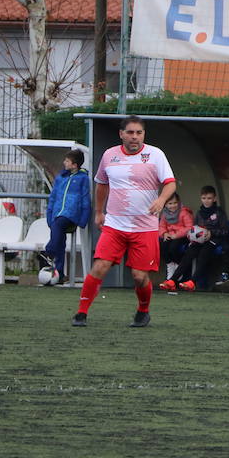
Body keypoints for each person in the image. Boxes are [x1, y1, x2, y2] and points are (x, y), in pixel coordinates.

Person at [71, 115, 176, 328]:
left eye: (139, 133)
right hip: (115, 225)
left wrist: (162, 199)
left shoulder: (155, 155)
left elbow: (170, 184)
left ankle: (143, 311)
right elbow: (102, 185)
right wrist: (99, 212)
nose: (134, 137)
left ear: (143, 135)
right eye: (130, 132)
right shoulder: (110, 155)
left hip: (144, 227)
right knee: (99, 266)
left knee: (138, 276)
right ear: (121, 134)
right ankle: (81, 313)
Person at [161, 185, 229, 292]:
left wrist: (211, 233)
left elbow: (225, 230)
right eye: (204, 198)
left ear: (214, 199)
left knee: (203, 254)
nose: (206, 201)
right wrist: (192, 237)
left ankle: (192, 281)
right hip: (199, 240)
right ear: (201, 199)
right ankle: (172, 280)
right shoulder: (199, 213)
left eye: (209, 198)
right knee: (189, 253)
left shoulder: (219, 212)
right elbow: (194, 228)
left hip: (213, 240)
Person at [43, 148, 91, 280]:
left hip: (71, 214)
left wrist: (83, 219)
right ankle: (59, 273)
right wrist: (49, 214)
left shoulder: (83, 178)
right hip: (57, 214)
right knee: (60, 240)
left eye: (67, 161)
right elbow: (53, 197)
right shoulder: (60, 178)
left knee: (58, 226)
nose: (64, 162)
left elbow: (85, 198)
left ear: (75, 165)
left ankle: (48, 251)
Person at [157, 192, 195, 279]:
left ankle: (179, 268)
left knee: (173, 248)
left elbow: (189, 227)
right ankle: (170, 265)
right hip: (170, 235)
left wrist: (176, 235)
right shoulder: (164, 214)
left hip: (183, 236)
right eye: (170, 203)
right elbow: (161, 226)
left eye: (175, 203)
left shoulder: (184, 212)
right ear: (165, 204)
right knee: (163, 245)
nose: (173, 206)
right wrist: (164, 233)